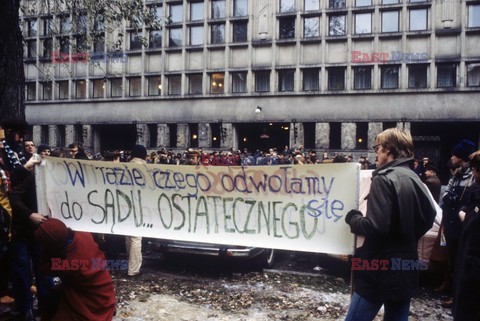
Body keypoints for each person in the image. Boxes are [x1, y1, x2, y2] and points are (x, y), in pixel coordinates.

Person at [344, 128, 436, 321]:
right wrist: (407, 235)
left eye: (377, 147)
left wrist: (353, 218)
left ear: (388, 149)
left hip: (378, 268)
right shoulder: (414, 177)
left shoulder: (383, 178)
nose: (375, 153)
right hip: (406, 264)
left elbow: (376, 227)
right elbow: (431, 215)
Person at [35, 219, 116, 321]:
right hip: (105, 293)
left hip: (91, 302)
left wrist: (46, 252)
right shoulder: (83, 234)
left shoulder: (70, 263)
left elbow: (44, 268)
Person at [441, 139, 475, 308]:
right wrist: (451, 199)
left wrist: (456, 202)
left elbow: (470, 201)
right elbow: (445, 196)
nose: (451, 158)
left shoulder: (472, 176)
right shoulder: (455, 174)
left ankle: (458, 297)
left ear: (461, 157)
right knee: (452, 260)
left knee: (461, 261)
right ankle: (453, 292)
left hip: (463, 226)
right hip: (451, 224)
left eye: (454, 155)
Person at [453, 150, 480, 321]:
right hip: (468, 264)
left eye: (475, 170)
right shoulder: (476, 192)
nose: (472, 173)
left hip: (474, 269)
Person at [125, 145, 147, 277]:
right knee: (136, 237)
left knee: (128, 234)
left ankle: (129, 262)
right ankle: (133, 269)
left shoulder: (125, 167)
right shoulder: (146, 169)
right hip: (140, 204)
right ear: (144, 155)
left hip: (124, 204)